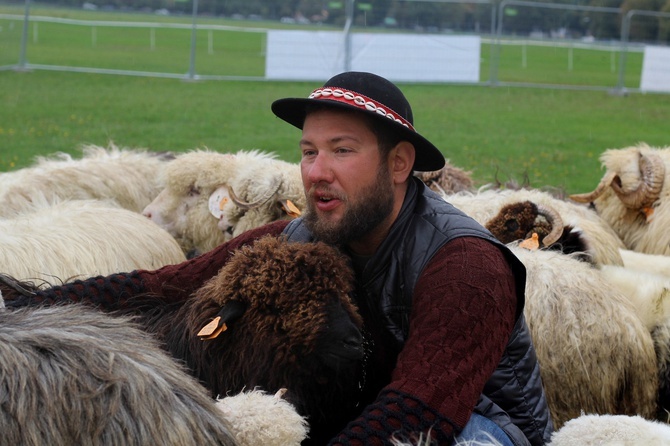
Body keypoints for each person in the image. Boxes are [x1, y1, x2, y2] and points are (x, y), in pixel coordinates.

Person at [4, 71, 553, 445]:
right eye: (309, 152)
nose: (316, 171)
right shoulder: (305, 234)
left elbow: (421, 412)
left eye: (342, 150)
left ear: (399, 163)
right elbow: (166, 285)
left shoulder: (462, 264)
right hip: (378, 412)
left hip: (478, 426)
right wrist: (24, 303)